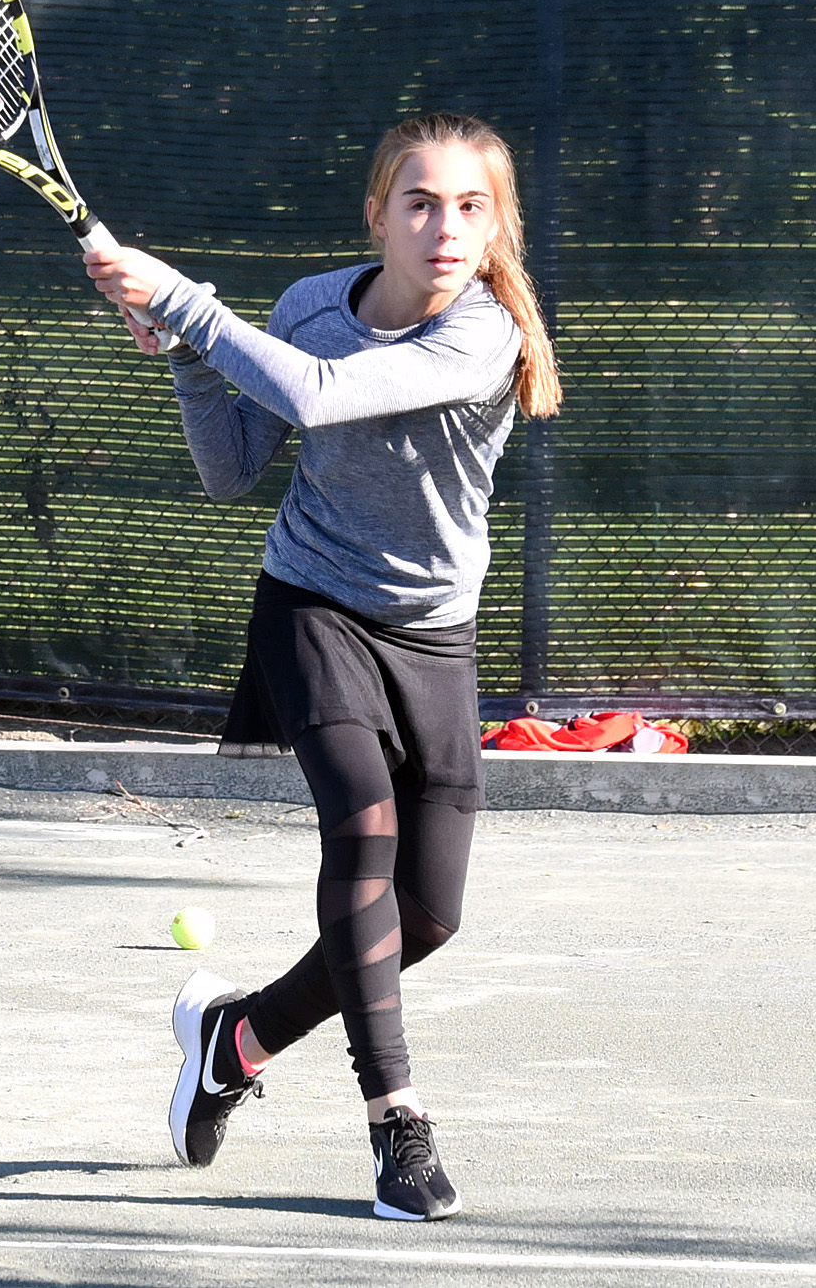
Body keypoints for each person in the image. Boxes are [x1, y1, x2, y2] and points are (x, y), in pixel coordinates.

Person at [84, 111, 561, 1222]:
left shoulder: (484, 335)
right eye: (421, 202)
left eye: (471, 206)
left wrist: (187, 302)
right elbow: (236, 466)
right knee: (362, 828)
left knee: (428, 916)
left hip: (434, 635)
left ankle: (233, 1039)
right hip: (311, 607)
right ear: (378, 213)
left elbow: (318, 397)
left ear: (498, 227)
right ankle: (399, 1125)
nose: (446, 227)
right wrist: (191, 360)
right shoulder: (309, 307)